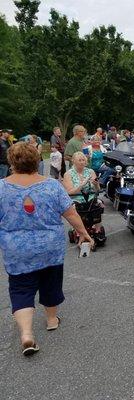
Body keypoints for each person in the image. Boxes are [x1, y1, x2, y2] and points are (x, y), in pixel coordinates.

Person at [0, 142, 93, 356]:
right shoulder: (52, 186)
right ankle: (52, 320)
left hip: (17, 250)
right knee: (50, 282)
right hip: (49, 247)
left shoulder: (2, 187)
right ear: (37, 160)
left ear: (11, 162)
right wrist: (84, 233)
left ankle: (26, 334)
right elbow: (70, 214)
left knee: (21, 289)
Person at [63, 152, 103, 234]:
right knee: (75, 208)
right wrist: (82, 184)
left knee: (98, 205)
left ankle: (98, 230)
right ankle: (79, 231)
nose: (82, 162)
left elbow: (97, 190)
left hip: (90, 197)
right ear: (73, 161)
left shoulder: (90, 171)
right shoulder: (68, 174)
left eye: (83, 160)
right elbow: (69, 192)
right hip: (76, 198)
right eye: (79, 160)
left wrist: (96, 184)